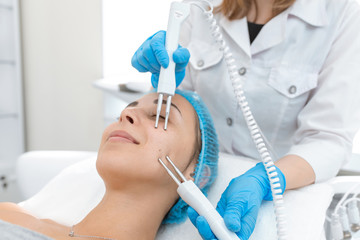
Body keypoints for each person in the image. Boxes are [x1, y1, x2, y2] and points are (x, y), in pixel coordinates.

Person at [131, 0, 360, 239]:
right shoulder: (202, 6)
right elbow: (177, 112)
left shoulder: (343, 14)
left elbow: (329, 139)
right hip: (193, 186)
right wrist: (166, 82)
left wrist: (266, 179)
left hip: (276, 198)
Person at [0, 90, 219, 240]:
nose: (126, 114)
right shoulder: (10, 215)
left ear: (196, 173)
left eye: (160, 116)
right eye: (122, 112)